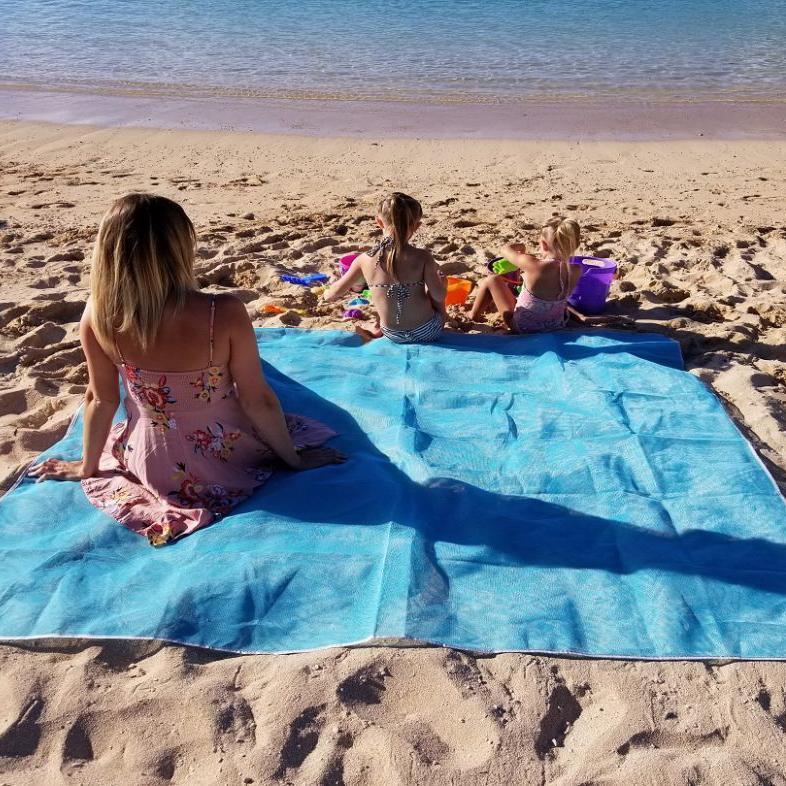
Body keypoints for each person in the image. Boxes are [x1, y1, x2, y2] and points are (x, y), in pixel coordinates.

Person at [30, 194, 344, 546]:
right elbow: (259, 401)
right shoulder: (221, 312)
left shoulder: (99, 315)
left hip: (150, 460)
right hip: (224, 452)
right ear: (181, 247)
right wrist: (294, 460)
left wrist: (86, 467)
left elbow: (99, 399)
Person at [323, 192, 446, 344]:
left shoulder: (363, 259)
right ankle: (443, 314)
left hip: (392, 334)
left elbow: (333, 294)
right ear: (417, 226)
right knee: (437, 283)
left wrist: (329, 289)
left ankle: (376, 326)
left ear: (379, 223)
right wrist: (441, 282)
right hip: (428, 331)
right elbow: (439, 296)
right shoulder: (423, 257)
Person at [468, 218, 583, 333]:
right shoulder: (576, 271)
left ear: (543, 244)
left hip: (523, 327)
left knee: (492, 280)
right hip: (554, 325)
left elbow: (505, 250)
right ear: (576, 245)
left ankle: (473, 316)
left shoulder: (533, 264)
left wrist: (521, 247)